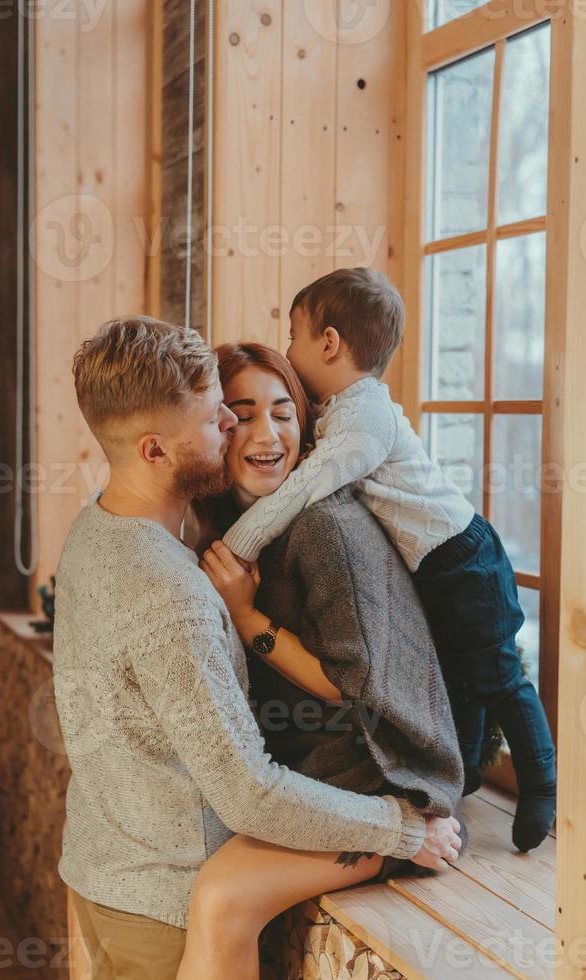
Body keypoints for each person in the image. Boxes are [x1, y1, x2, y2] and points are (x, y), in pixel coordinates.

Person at [52, 317, 462, 980]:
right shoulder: (173, 591)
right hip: (163, 901)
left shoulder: (96, 530)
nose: (233, 427)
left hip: (103, 870)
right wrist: (404, 830)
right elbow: (249, 794)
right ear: (155, 451)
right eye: (219, 415)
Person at [222, 267, 557, 854]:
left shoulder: (364, 423)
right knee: (459, 679)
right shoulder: (342, 412)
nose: (292, 349)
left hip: (464, 558)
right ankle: (467, 779)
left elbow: (311, 485)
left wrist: (237, 548)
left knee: (499, 680)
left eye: (295, 336)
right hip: (438, 562)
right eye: (242, 415)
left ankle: (542, 786)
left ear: (328, 343)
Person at [176, 342, 465, 980]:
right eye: (243, 414)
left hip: (380, 780)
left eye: (284, 413)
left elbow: (349, 688)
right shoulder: (230, 525)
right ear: (215, 429)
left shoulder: (325, 529)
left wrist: (249, 618)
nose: (267, 433)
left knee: (222, 900)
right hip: (302, 773)